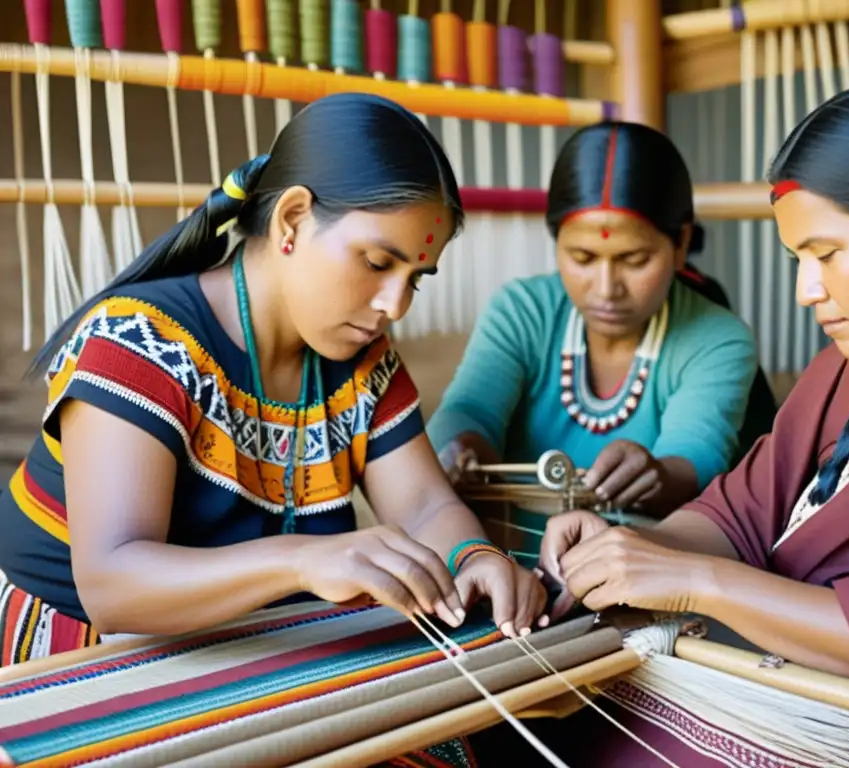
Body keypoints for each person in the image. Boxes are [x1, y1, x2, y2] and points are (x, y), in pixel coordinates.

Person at [0, 93, 546, 768]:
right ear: (292, 219)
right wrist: (305, 557)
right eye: (378, 263)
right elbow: (114, 585)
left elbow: (427, 505)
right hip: (89, 656)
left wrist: (479, 560)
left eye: (416, 279)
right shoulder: (138, 341)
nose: (394, 304)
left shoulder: (364, 364)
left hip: (263, 639)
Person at [518, 81, 849, 768]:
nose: (805, 291)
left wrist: (697, 584)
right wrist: (626, 551)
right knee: (534, 721)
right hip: (793, 683)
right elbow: (736, 516)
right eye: (798, 261)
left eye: (826, 254)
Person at [426, 121, 766, 565]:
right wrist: (464, 448)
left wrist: (658, 474)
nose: (606, 288)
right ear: (556, 243)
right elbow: (467, 412)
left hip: (632, 583)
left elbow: (696, 457)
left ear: (680, 242)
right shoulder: (521, 311)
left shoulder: (718, 340)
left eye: (634, 260)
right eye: (582, 258)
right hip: (500, 572)